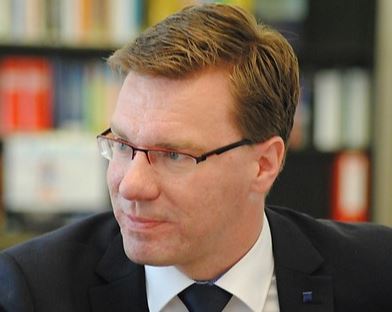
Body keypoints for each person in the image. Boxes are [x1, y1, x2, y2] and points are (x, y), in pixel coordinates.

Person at [1, 3, 392, 312]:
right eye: (122, 145)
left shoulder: (376, 274)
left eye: (173, 154)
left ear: (264, 164)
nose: (131, 184)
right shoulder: (32, 290)